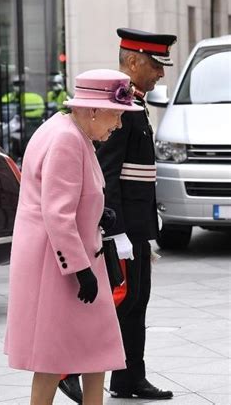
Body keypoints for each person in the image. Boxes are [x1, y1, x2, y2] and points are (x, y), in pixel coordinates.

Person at [4, 69, 143, 405]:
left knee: (95, 350)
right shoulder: (67, 138)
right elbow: (57, 212)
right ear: (93, 109)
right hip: (61, 266)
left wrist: (98, 215)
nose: (119, 125)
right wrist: (80, 270)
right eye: (117, 115)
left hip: (66, 258)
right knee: (55, 356)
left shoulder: (66, 129)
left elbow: (67, 197)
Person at [58, 28, 177, 402]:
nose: (161, 73)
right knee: (116, 301)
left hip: (139, 224)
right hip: (125, 226)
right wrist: (117, 233)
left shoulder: (136, 102)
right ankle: (68, 369)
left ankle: (129, 377)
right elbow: (107, 175)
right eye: (156, 64)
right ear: (132, 61)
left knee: (137, 300)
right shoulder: (120, 106)